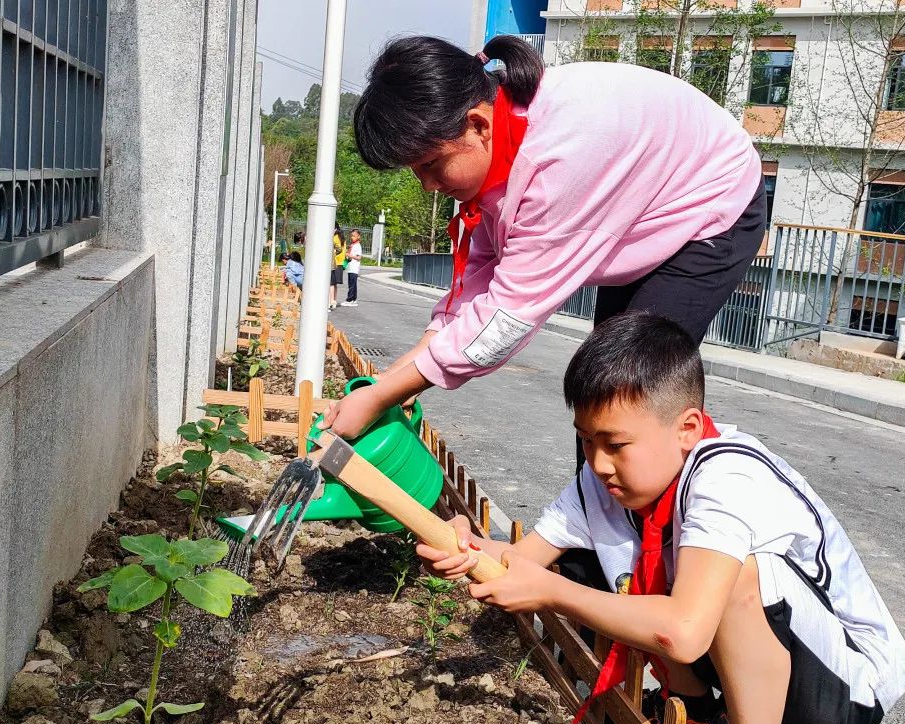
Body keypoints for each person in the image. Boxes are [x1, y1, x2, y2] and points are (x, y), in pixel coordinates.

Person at [417, 313, 905, 724]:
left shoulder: (727, 475)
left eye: (616, 444)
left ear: (687, 429)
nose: (598, 462)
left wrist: (552, 592)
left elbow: (687, 630)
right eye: (586, 441)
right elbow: (525, 559)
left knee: (732, 574)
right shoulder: (600, 481)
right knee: (586, 564)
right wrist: (468, 547)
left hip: (843, 684)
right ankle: (699, 718)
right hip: (751, 648)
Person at [320, 34, 766, 440]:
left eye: (431, 164)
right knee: (605, 394)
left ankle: (689, 514)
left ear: (477, 124)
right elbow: (480, 274)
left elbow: (505, 318)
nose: (428, 185)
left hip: (709, 208)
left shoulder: (556, 162)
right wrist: (394, 379)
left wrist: (382, 395)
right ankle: (601, 524)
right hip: (643, 207)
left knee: (630, 398)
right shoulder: (503, 136)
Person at [344, 229, 363, 306]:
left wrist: (349, 255)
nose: (352, 237)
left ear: (358, 236)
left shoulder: (358, 246)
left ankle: (349, 300)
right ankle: (354, 299)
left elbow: (359, 257)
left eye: (354, 236)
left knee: (351, 285)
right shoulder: (353, 245)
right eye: (351, 236)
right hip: (351, 267)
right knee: (353, 284)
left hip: (354, 267)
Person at [330, 224, 346, 310]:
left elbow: (338, 249)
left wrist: (333, 254)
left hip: (335, 261)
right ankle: (334, 300)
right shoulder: (341, 236)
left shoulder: (334, 237)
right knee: (334, 284)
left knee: (331, 283)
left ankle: (332, 301)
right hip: (340, 261)